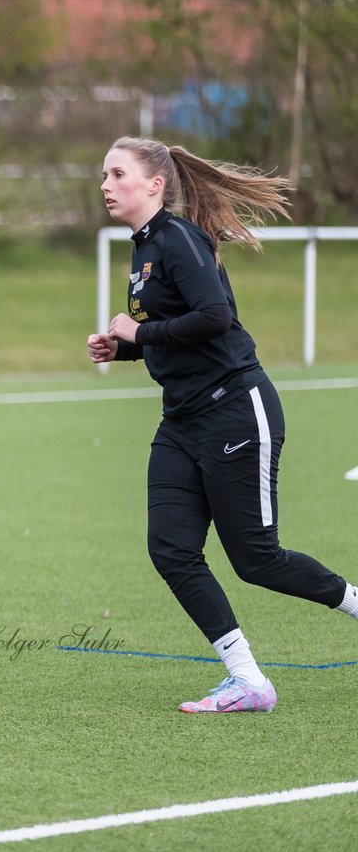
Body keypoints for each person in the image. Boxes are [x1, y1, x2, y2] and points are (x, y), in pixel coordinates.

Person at [88, 136, 358, 713]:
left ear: (154, 184)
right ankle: (248, 681)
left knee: (257, 559)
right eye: (104, 176)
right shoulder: (144, 249)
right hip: (182, 420)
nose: (106, 185)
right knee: (171, 549)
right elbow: (173, 330)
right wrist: (124, 349)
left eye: (116, 174)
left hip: (235, 407)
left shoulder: (179, 239)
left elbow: (215, 318)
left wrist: (138, 334)